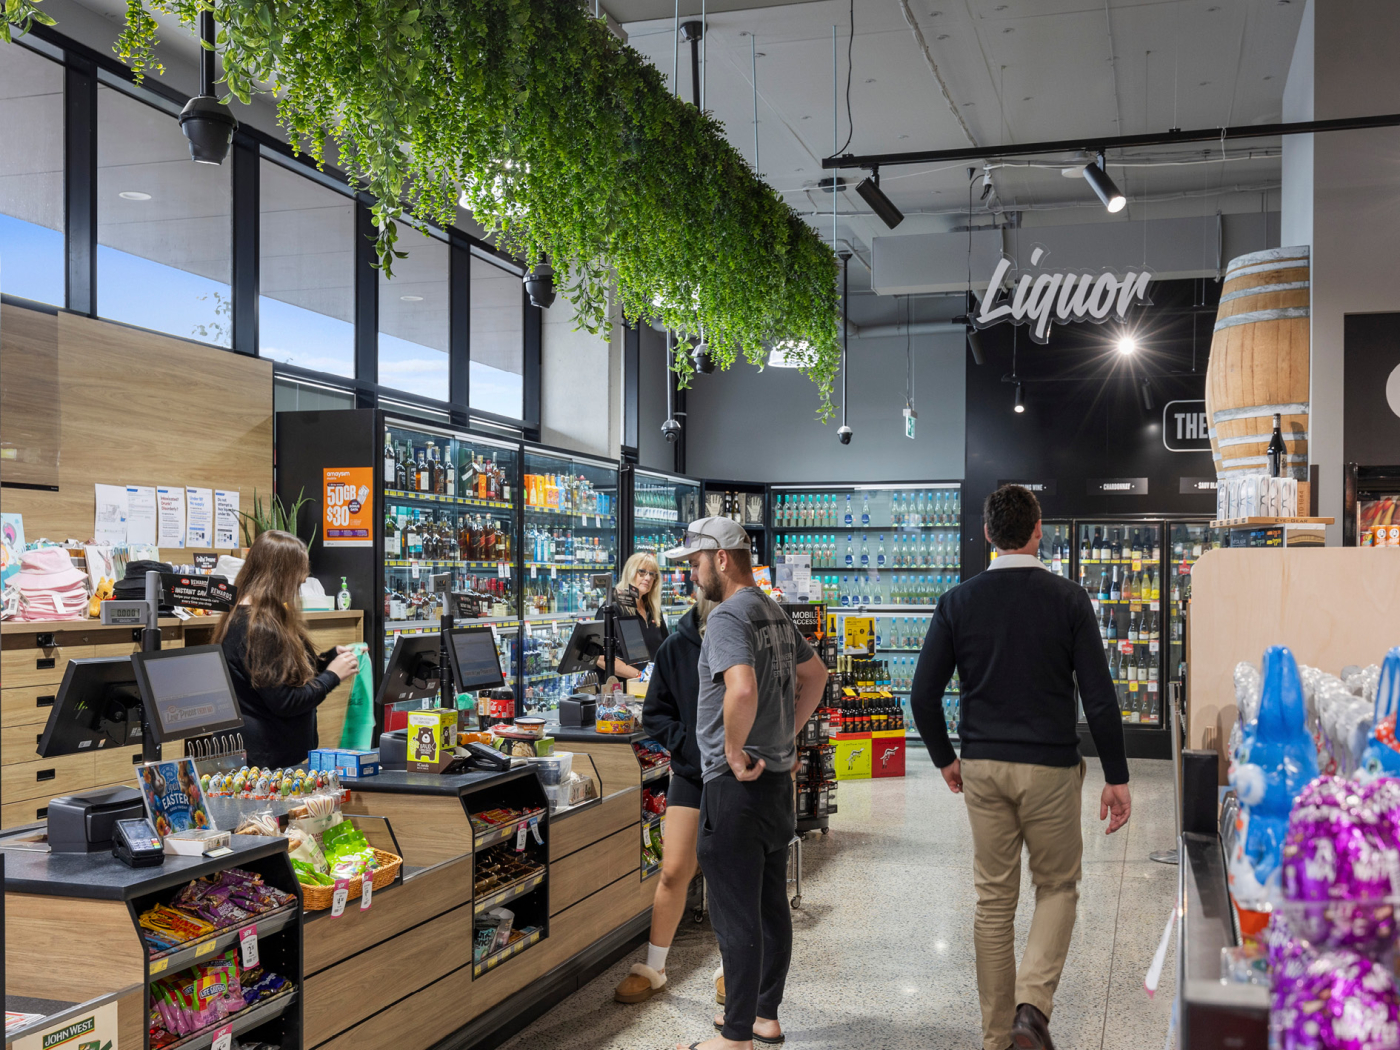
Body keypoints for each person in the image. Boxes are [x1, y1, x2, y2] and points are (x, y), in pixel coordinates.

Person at [909, 485, 1131, 1050]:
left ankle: (996, 1039)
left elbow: (923, 695)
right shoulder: (1070, 600)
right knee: (1056, 886)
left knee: (993, 903)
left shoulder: (957, 602)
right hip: (1050, 768)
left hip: (982, 767)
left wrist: (945, 758)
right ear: (1038, 531)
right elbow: (1099, 697)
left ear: (987, 534)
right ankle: (1031, 1008)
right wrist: (1117, 775)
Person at [665, 517, 829, 1050]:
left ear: (723, 558)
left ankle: (735, 1039)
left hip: (735, 788)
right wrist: (786, 735)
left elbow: (740, 689)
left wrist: (733, 752)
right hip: (776, 784)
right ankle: (764, 1017)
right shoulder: (773, 612)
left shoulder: (728, 616)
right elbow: (816, 676)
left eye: (696, 563)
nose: (693, 575)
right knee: (769, 907)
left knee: (735, 916)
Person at [613, 591, 717, 1004]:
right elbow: (656, 713)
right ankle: (653, 968)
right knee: (673, 871)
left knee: (730, 874)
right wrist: (689, 746)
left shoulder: (747, 638)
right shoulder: (677, 646)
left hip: (737, 775)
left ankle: (734, 969)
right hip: (691, 774)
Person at [214, 530, 359, 767]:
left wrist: (327, 660)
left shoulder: (247, 617)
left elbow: (283, 677)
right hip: (265, 763)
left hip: (270, 756)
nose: (301, 585)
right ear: (280, 576)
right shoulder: (259, 628)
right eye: (298, 581)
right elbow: (286, 701)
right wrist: (332, 676)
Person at [594, 552, 669, 680]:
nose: (648, 578)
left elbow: (665, 647)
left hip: (650, 686)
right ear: (630, 572)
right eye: (642, 572)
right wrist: (640, 676)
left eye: (652, 574)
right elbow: (600, 657)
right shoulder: (612, 608)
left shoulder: (653, 610)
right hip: (620, 688)